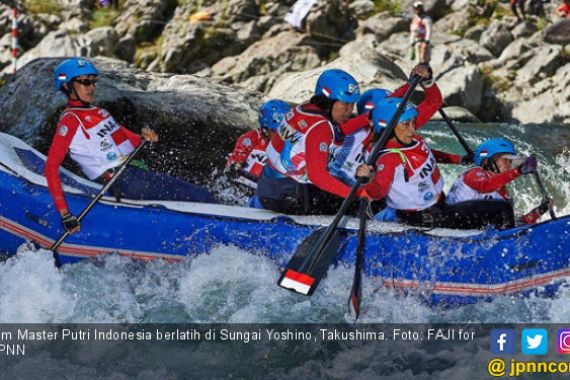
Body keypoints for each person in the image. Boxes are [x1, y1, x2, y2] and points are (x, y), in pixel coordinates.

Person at [46, 58, 217, 234]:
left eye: (93, 82)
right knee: (202, 197)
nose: (92, 87)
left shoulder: (100, 112)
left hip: (137, 173)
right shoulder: (70, 121)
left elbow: (132, 140)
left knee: (200, 194)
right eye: (85, 82)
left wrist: (145, 135)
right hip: (123, 181)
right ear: (67, 86)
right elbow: (51, 167)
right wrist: (65, 214)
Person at [355, 97, 516, 230]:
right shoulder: (389, 159)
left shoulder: (410, 140)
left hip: (440, 208)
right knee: (502, 210)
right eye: (406, 124)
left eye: (413, 122)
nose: (413, 129)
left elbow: (427, 152)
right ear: (388, 128)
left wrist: (457, 159)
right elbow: (378, 191)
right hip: (427, 219)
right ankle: (514, 250)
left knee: (490, 212)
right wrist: (369, 179)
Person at [257, 68, 370, 215]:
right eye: (345, 104)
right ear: (329, 100)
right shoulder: (320, 127)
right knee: (362, 201)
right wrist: (357, 194)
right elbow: (318, 177)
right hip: (292, 198)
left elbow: (340, 129)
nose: (349, 110)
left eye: (352, 104)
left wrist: (371, 116)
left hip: (267, 189)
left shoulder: (304, 108)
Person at [447, 138, 552, 224]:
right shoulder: (475, 172)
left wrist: (539, 211)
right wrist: (518, 170)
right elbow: (483, 185)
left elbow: (515, 224)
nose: (508, 164)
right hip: (454, 226)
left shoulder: (503, 195)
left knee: (505, 210)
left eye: (510, 160)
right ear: (487, 161)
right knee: (503, 208)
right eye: (504, 159)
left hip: (477, 235)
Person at [225, 99, 291, 190]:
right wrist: (235, 166)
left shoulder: (291, 144)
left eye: (284, 131)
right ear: (265, 129)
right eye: (275, 131)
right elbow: (233, 165)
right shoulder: (251, 139)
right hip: (245, 188)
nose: (281, 136)